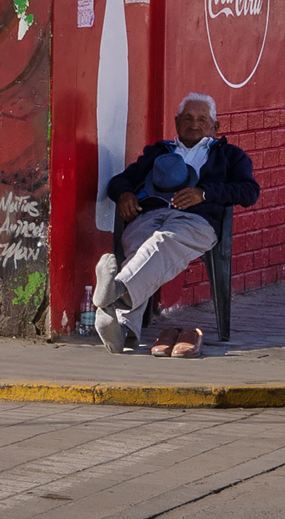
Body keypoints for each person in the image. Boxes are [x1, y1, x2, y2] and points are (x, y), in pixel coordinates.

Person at [94, 92, 260, 355]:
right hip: (150, 215)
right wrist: (124, 194)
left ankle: (118, 291)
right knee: (141, 243)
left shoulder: (230, 155)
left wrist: (205, 193)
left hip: (196, 221)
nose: (194, 124)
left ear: (215, 126)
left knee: (163, 240)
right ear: (176, 122)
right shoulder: (158, 152)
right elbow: (120, 180)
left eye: (202, 119)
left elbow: (249, 191)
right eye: (188, 118)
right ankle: (118, 323)